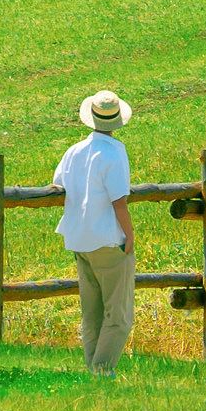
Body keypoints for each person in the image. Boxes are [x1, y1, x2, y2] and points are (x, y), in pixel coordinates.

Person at [53, 90, 136, 374]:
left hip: (79, 239)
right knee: (120, 314)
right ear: (116, 122)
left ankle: (92, 368)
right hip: (107, 239)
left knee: (92, 313)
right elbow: (119, 202)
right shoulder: (115, 152)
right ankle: (102, 370)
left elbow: (58, 183)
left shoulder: (74, 151)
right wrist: (130, 237)